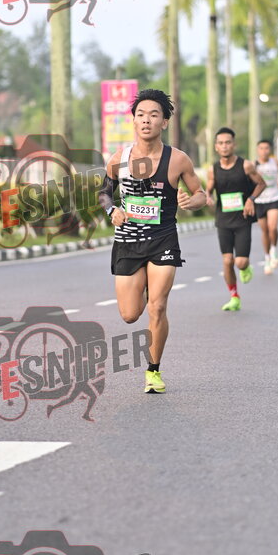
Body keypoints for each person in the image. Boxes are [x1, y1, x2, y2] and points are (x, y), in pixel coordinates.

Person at [98, 89, 206, 393]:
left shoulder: (178, 160)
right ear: (134, 121)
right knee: (130, 315)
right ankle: (143, 285)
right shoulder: (119, 159)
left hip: (163, 239)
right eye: (141, 115)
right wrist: (112, 210)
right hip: (128, 242)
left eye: (154, 115)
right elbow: (104, 193)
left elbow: (201, 194)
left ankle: (153, 371)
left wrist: (191, 202)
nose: (146, 120)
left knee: (157, 307)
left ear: (165, 122)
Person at [206, 128, 266, 312]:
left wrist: (251, 199)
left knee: (240, 262)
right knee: (227, 261)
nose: (224, 146)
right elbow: (209, 189)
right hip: (223, 219)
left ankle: (246, 268)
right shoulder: (213, 170)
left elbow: (261, 183)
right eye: (221, 143)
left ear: (234, 144)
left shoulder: (246, 166)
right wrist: (207, 197)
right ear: (216, 147)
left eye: (228, 142)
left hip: (242, 219)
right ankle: (234, 297)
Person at [254, 139, 278, 274]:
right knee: (265, 231)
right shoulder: (253, 165)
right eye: (261, 148)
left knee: (272, 227)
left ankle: (273, 250)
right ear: (257, 150)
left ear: (270, 150)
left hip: (274, 198)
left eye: (266, 148)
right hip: (259, 200)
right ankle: (267, 257)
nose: (264, 151)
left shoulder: (276, 163)